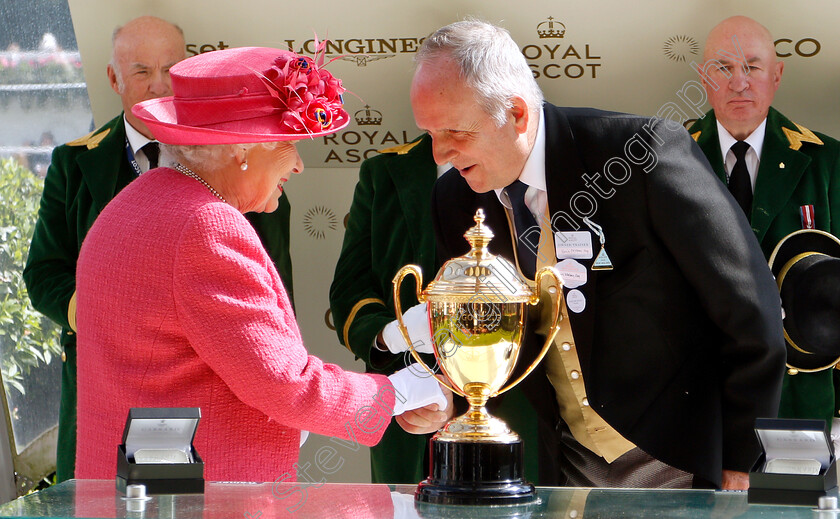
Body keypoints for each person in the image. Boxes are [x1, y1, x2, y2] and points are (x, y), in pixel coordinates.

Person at [411, 20, 785, 490]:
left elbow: (751, 310)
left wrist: (739, 459)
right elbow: (480, 338)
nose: (439, 153)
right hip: (566, 466)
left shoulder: (642, 155)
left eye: (454, 131)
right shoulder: (456, 199)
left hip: (683, 459)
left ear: (518, 114)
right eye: (428, 133)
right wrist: (448, 399)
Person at [73, 46, 450, 482]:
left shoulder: (136, 203)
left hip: (143, 491)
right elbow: (285, 383)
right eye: (288, 144)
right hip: (201, 501)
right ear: (242, 150)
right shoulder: (206, 225)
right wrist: (399, 392)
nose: (299, 165)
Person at [22, 16, 294, 483]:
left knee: (198, 503)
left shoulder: (244, 161)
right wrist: (111, 317)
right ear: (113, 78)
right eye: (142, 71)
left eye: (172, 68)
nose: (160, 84)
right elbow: (44, 272)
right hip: (108, 383)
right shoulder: (74, 162)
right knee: (114, 500)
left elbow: (273, 286)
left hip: (211, 387)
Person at [329, 135, 541, 483]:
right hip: (411, 409)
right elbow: (350, 291)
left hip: (516, 404)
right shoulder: (384, 171)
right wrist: (396, 337)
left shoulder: (526, 166)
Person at [689, 15, 840, 425]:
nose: (739, 83)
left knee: (795, 492)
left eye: (752, 67)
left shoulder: (828, 163)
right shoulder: (668, 160)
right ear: (704, 77)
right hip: (698, 396)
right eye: (724, 68)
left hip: (799, 396)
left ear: (777, 75)